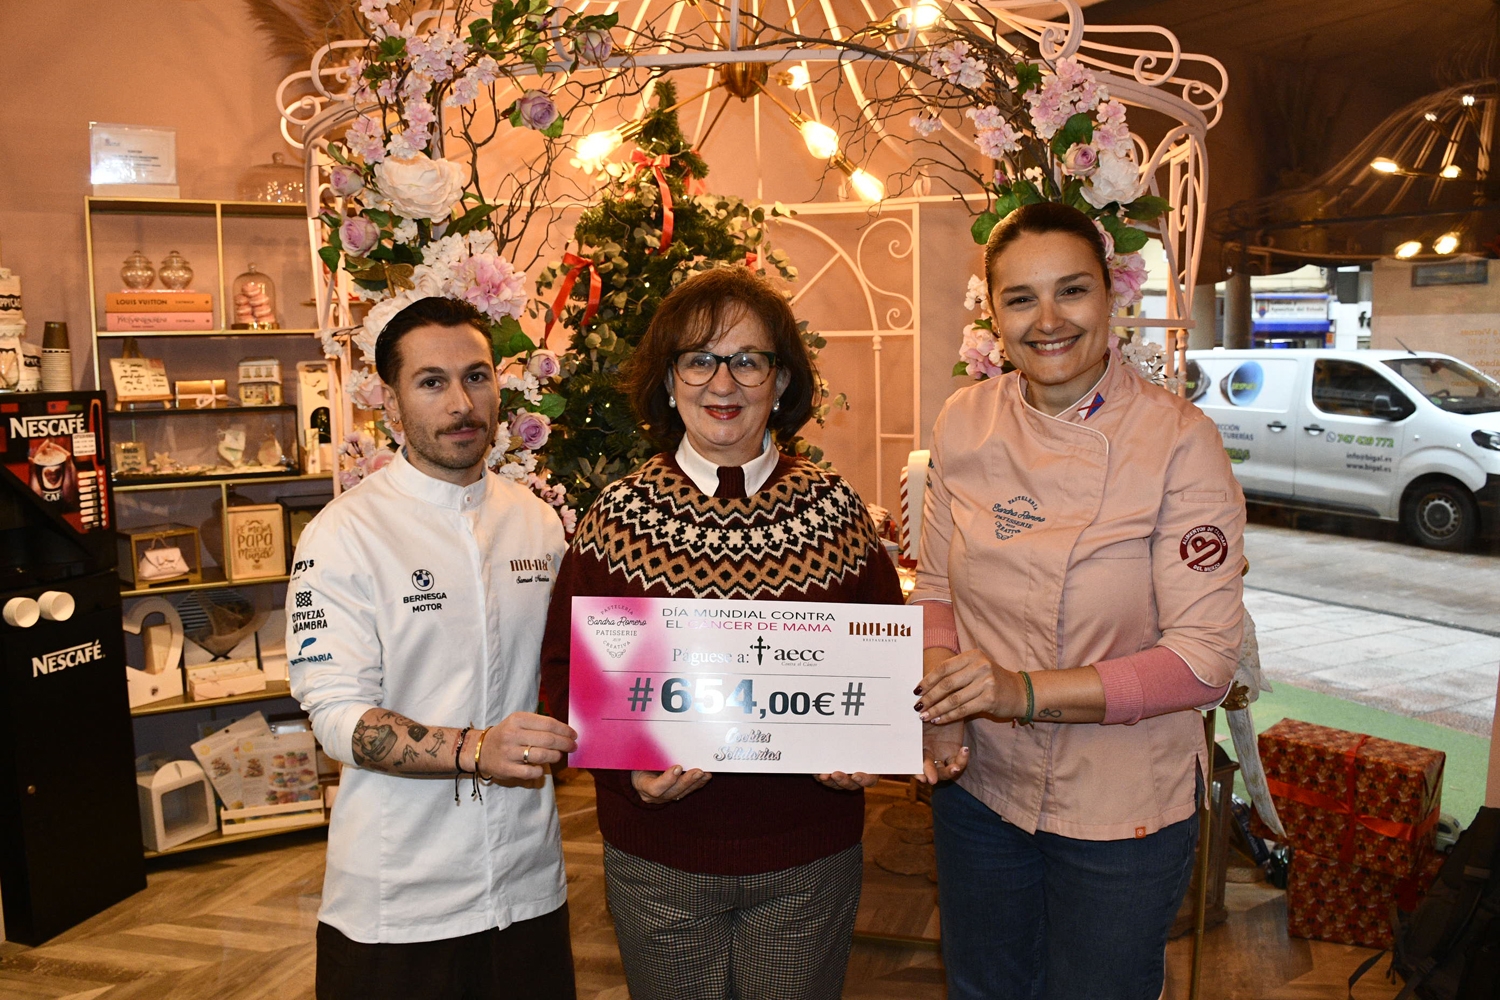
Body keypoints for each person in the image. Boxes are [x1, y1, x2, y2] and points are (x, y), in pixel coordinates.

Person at [910, 202, 1245, 1000]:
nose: (1048, 320)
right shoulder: (965, 421)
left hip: (1121, 807)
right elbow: (936, 588)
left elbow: (1204, 666)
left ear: (1111, 297)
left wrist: (1015, 692)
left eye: (1073, 291)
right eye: (1020, 298)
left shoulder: (1177, 441)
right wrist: (945, 695)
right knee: (984, 988)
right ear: (993, 313)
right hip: (982, 788)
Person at [540, 266, 904, 1000]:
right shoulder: (616, 517)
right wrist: (623, 771)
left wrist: (867, 745)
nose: (724, 382)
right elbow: (563, 672)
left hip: (806, 855)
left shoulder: (836, 513)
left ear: (781, 381)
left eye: (749, 359)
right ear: (670, 382)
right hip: (659, 860)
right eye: (699, 359)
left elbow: (885, 667)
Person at [288, 296, 578, 1000]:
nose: (461, 401)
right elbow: (335, 715)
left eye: (477, 376)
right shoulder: (343, 535)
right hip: (399, 903)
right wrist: (477, 748)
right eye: (431, 382)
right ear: (390, 405)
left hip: (527, 886)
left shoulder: (537, 524)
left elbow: (579, 672)